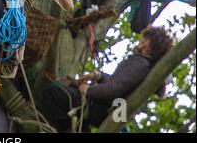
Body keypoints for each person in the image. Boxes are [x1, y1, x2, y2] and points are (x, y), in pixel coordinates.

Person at [42, 26, 173, 132]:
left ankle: (69, 130)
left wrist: (88, 90)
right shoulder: (145, 66)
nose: (141, 41)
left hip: (101, 108)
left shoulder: (140, 63)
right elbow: (119, 83)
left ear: (150, 45)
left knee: (52, 93)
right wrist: (98, 76)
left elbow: (113, 90)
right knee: (68, 97)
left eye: (145, 39)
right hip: (105, 109)